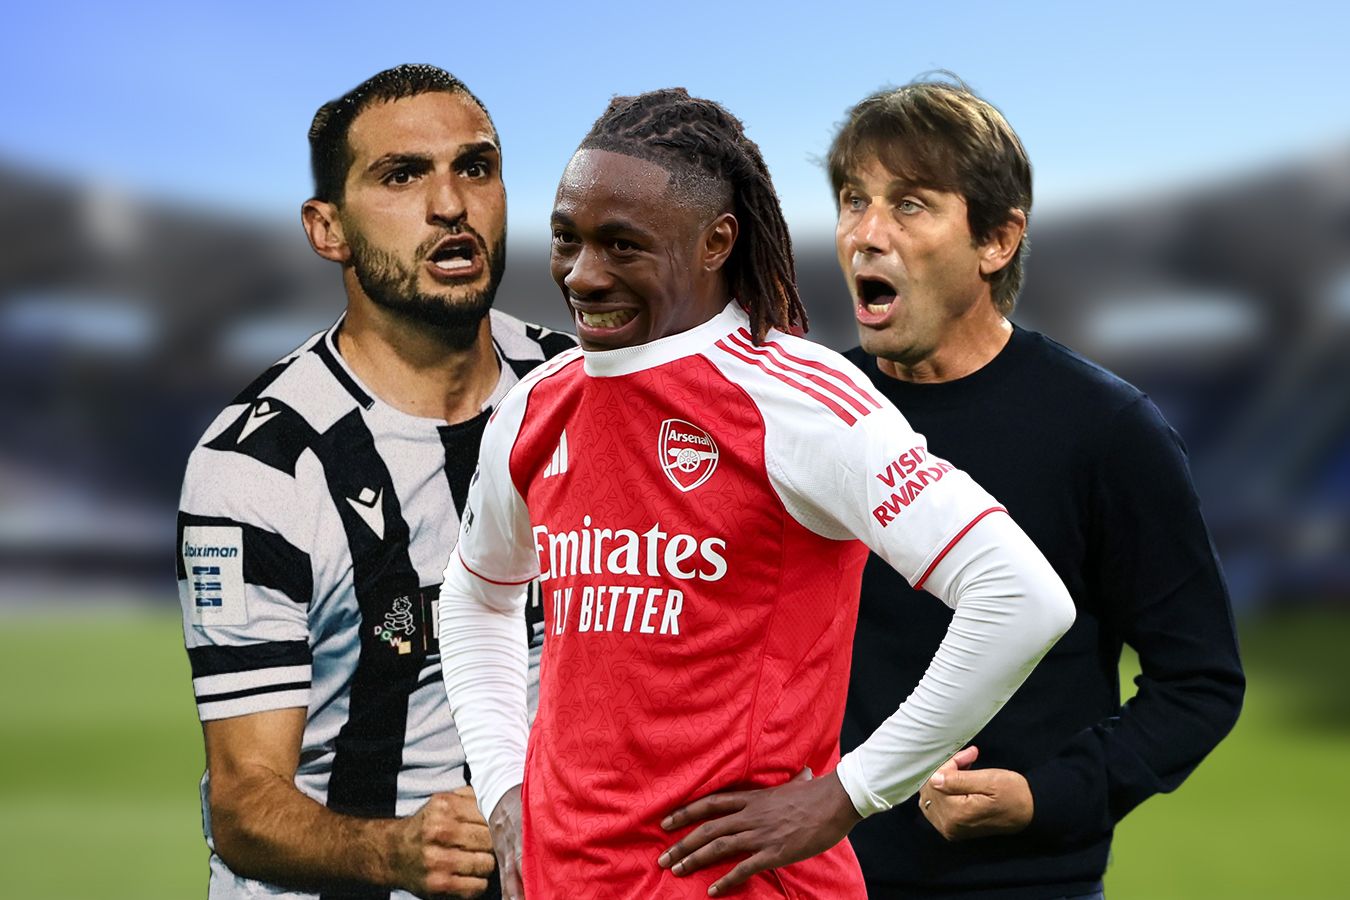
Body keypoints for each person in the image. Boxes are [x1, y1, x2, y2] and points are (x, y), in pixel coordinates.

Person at [438, 87, 1076, 900]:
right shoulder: (537, 405)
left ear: (716, 242)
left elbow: (1019, 596)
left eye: (623, 246)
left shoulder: (798, 401)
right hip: (565, 880)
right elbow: (476, 595)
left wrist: (849, 794)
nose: (584, 276)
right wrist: (503, 785)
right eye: (568, 238)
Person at [830, 77, 1246, 900]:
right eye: (853, 200)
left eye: (910, 205)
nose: (866, 235)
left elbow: (1199, 682)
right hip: (817, 877)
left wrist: (1045, 797)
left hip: (1020, 883)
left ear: (997, 240)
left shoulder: (1107, 429)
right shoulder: (809, 417)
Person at [175, 64, 573, 900]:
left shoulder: (582, 393)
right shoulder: (259, 467)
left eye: (475, 167)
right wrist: (396, 854)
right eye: (402, 176)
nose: (451, 204)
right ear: (329, 230)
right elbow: (244, 806)